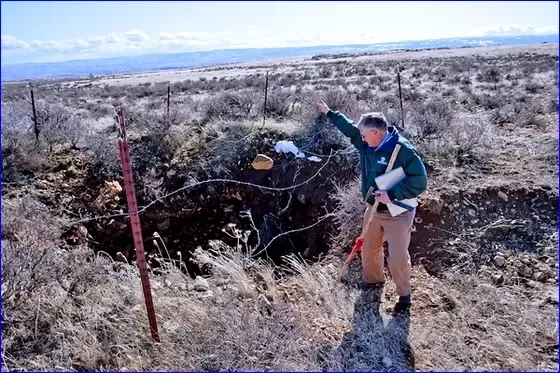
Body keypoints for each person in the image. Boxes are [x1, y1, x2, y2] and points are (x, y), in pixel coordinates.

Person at [317, 100, 428, 313]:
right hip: (375, 209)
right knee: (369, 249)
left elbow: (420, 182)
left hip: (398, 211)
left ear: (376, 132)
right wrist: (330, 113)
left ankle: (404, 296)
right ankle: (374, 283)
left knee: (397, 257)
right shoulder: (368, 143)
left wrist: (392, 194)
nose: (362, 140)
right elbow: (351, 130)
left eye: (365, 136)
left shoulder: (403, 151)